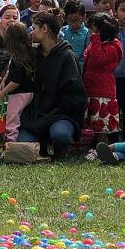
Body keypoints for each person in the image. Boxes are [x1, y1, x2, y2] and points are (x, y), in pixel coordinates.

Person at [19, 10, 85, 158]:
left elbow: (75, 94)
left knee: (60, 135)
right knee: (24, 144)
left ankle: (60, 150)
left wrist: (53, 113)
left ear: (45, 29)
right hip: (36, 114)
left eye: (34, 28)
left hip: (60, 114)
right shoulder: (35, 55)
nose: (31, 32)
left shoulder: (67, 57)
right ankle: (41, 146)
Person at [82, 13, 123, 143]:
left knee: (100, 127)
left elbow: (96, 60)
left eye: (93, 27)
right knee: (91, 126)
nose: (90, 30)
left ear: (100, 29)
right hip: (91, 88)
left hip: (102, 92)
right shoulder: (98, 43)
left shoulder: (113, 46)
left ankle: (102, 148)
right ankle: (91, 148)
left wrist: (95, 39)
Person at [60, 1, 89, 66]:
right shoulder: (63, 31)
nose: (73, 24)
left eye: (77, 20)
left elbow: (87, 55)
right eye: (70, 20)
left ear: (84, 17)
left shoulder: (87, 33)